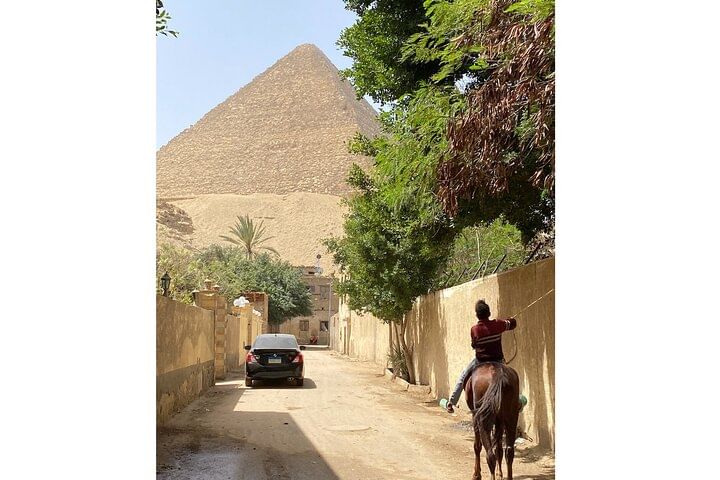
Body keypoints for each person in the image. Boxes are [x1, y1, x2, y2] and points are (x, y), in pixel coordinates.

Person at [446, 299, 517, 413]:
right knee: (512, 379)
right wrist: (510, 320)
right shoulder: (498, 324)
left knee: (463, 376)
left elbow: (474, 345)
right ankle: (517, 402)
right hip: (498, 361)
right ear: (489, 313)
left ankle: (451, 402)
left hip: (480, 362)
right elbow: (512, 324)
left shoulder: (474, 329)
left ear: (477, 315)